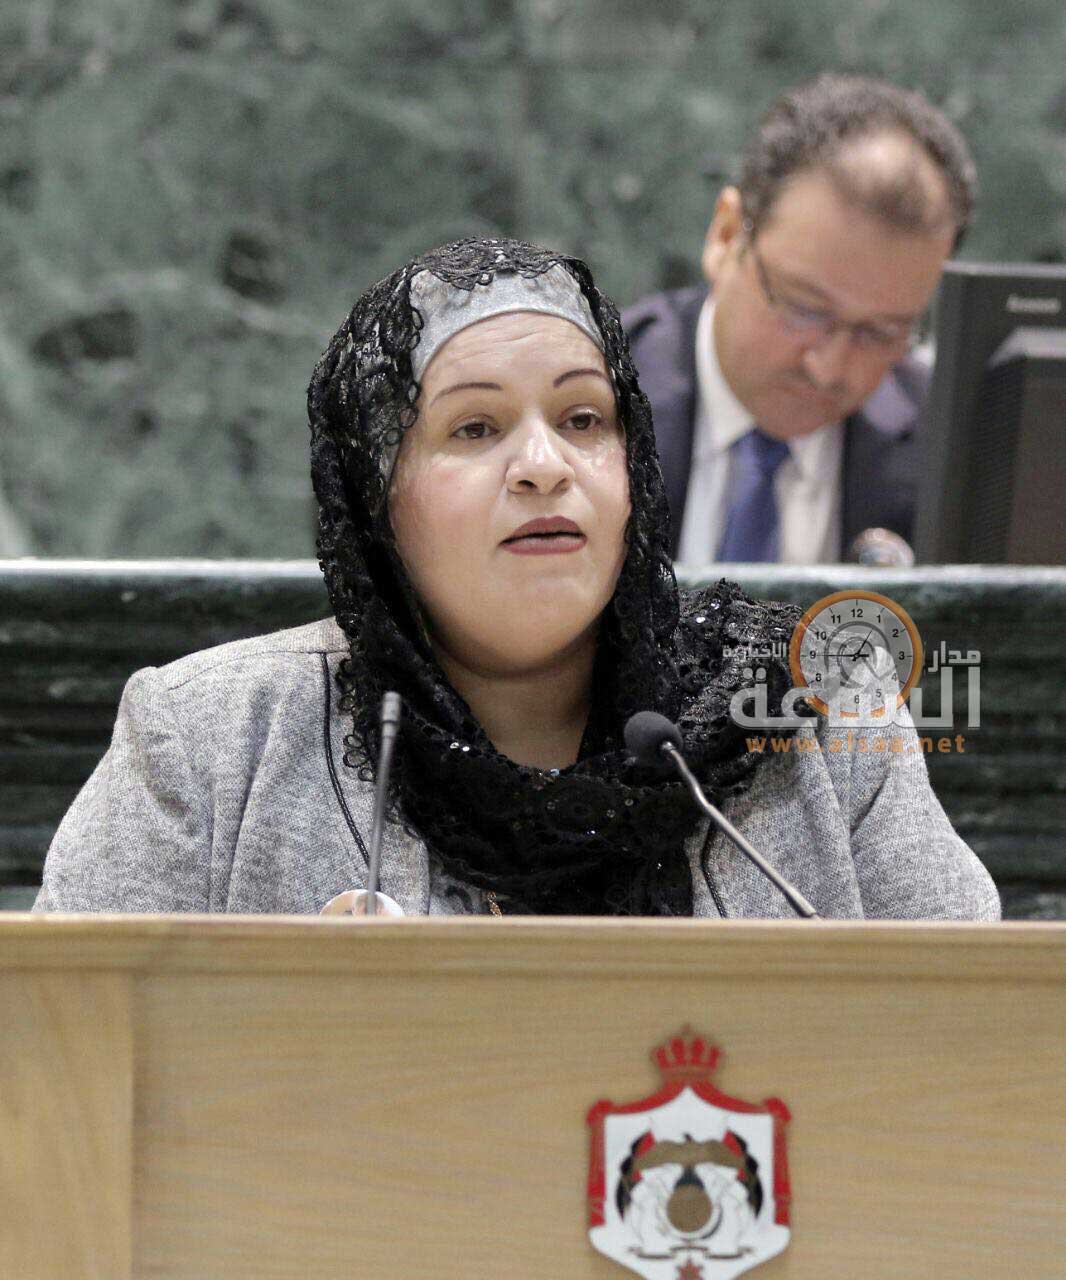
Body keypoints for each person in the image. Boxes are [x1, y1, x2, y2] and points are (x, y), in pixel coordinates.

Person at [34, 236, 998, 920]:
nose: (544, 466)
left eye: (584, 421)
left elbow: (982, 1047)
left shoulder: (812, 716)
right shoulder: (209, 745)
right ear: (377, 501)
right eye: (475, 428)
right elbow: (58, 1066)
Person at [623, 75, 977, 565]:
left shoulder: (957, 455)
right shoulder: (587, 403)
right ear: (727, 236)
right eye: (803, 309)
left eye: (881, 332)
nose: (828, 368)